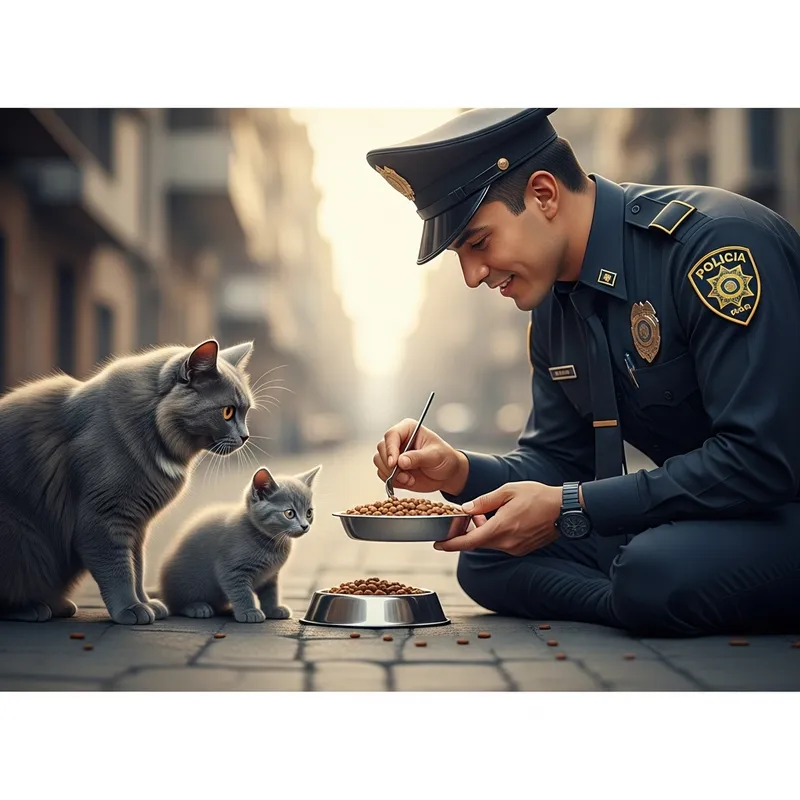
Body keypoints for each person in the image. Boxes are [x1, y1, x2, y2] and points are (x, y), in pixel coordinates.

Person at [367, 108, 800, 637]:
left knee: (652, 569)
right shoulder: (553, 304)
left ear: (544, 195)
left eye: (478, 243)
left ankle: (645, 595)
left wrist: (571, 506)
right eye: (461, 256)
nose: (473, 276)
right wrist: (457, 471)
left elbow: (760, 461)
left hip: (781, 505)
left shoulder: (712, 248)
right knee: (488, 552)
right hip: (713, 515)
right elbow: (557, 459)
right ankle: (637, 603)